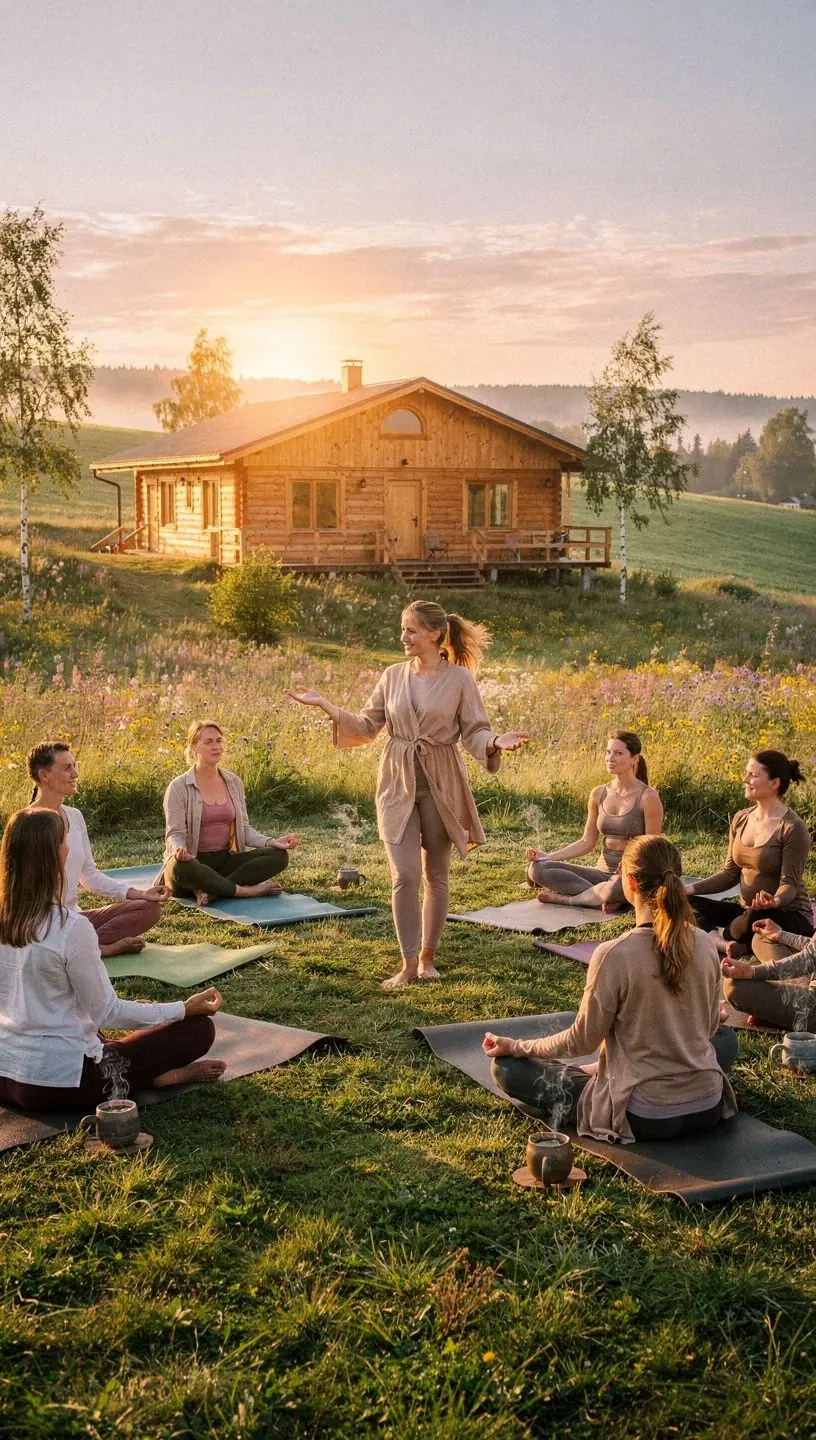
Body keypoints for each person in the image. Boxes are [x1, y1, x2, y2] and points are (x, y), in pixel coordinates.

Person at [288, 600, 530, 989]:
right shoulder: (392, 675)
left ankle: (428, 958)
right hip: (396, 782)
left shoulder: (460, 680)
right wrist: (326, 706)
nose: (403, 637)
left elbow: (474, 732)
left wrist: (496, 741)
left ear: (434, 634)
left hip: (441, 782)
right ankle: (407, 962)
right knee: (404, 874)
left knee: (436, 873)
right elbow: (367, 725)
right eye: (402, 629)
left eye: (411, 630)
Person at [483, 836, 738, 1144]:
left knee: (508, 1069)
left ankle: (604, 1078)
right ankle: (613, 1072)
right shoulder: (705, 943)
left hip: (644, 1115)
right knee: (725, 1039)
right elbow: (710, 1028)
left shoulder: (614, 954)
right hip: (706, 1104)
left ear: (629, 882)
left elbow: (581, 1040)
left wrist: (517, 1047)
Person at [0, 809, 225, 1113]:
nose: (70, 847)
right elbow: (107, 1012)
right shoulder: (71, 927)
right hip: (58, 1084)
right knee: (197, 1029)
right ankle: (153, 1077)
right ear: (54, 855)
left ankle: (148, 1074)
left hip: (5, 1073)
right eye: (66, 840)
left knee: (97, 1023)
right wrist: (183, 1008)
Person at [27, 741, 166, 958]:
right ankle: (98, 949)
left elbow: (89, 875)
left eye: (74, 766)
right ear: (44, 775)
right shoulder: (28, 823)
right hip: (42, 923)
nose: (75, 773)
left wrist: (140, 893)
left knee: (149, 908)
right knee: (70, 931)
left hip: (74, 920)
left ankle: (83, 948)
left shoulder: (74, 816)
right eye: (67, 768)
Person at [686, 751, 812, 958]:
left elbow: (790, 883)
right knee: (685, 902)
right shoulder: (741, 818)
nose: (745, 779)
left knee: (755, 915)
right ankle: (723, 943)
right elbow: (729, 874)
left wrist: (774, 901)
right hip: (745, 912)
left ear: (774, 783)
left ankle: (726, 939)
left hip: (786, 914)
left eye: (752, 775)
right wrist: (688, 888)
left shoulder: (792, 828)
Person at [162, 721, 298, 906]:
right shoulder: (178, 787)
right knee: (179, 867)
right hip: (192, 863)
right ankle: (245, 891)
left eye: (218, 740)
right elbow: (174, 834)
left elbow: (244, 829)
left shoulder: (233, 782)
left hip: (225, 862)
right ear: (194, 747)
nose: (216, 746)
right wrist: (180, 850)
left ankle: (214, 890)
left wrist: (272, 841)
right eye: (208, 741)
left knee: (278, 856)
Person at [527, 732, 663, 910]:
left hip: (630, 875)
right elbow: (586, 842)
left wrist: (630, 863)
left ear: (634, 758)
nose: (610, 758)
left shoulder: (648, 797)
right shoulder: (598, 793)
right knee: (537, 869)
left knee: (616, 885)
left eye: (618, 753)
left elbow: (653, 846)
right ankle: (604, 897)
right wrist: (549, 856)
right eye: (608, 752)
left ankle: (579, 898)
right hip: (601, 873)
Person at [722, 921, 816, 1031]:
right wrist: (780, 935)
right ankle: (781, 1003)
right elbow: (812, 950)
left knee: (732, 987)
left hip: (812, 1004)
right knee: (761, 938)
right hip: (810, 974)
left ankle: (785, 1013)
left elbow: (809, 959)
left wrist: (753, 972)